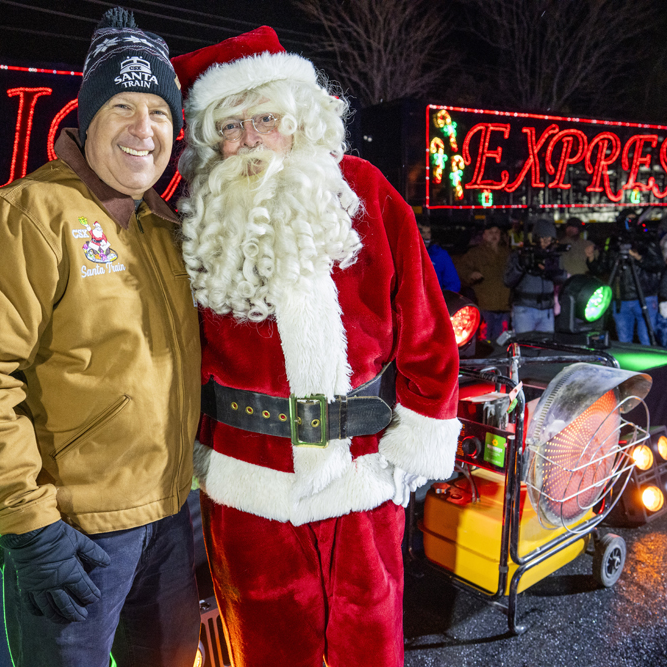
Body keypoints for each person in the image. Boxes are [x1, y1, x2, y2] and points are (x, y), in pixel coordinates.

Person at [172, 27, 461, 667]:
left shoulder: (365, 192)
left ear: (299, 120)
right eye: (231, 125)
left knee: (369, 641)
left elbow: (427, 332)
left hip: (362, 476)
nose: (249, 140)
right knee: (266, 646)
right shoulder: (197, 218)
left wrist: (409, 451)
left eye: (266, 119)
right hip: (246, 489)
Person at [0, 9, 201, 667]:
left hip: (170, 517)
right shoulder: (24, 217)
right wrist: (30, 524)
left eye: (159, 111)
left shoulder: (165, 230)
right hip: (74, 527)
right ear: (86, 120)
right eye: (123, 108)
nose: (143, 129)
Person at [588, 210, 665, 345]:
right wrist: (591, 258)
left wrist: (639, 258)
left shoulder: (645, 239)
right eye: (627, 221)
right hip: (621, 299)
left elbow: (658, 264)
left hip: (644, 296)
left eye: (634, 221)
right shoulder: (613, 242)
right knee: (624, 340)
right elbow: (602, 268)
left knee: (646, 338)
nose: (630, 225)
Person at [503, 218, 567, 334]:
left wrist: (550, 270)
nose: (547, 242)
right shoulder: (520, 254)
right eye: (543, 238)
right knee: (524, 345)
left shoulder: (553, 255)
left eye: (549, 238)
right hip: (525, 309)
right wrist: (521, 266)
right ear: (536, 237)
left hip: (547, 311)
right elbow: (508, 281)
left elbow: (562, 278)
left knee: (545, 347)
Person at [457, 217, 512, 340]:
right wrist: (471, 275)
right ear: (484, 235)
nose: (494, 235)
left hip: (504, 307)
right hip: (485, 308)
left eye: (496, 232)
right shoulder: (475, 253)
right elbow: (462, 270)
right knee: (484, 342)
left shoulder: (507, 253)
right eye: (490, 232)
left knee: (502, 343)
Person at [417, 221, 460, 292]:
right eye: (422, 232)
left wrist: (439, 299)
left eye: (428, 232)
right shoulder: (403, 255)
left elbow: (453, 284)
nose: (426, 236)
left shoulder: (440, 255)